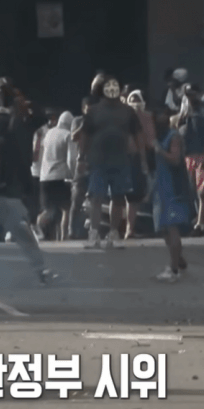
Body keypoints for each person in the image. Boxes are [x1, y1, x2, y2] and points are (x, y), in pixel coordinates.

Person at [0, 98, 46, 284]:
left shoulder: (10, 139)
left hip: (2, 196)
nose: (1, 122)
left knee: (19, 234)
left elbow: (38, 119)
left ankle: (42, 272)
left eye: (4, 118)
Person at [81, 76, 143, 249]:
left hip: (121, 160)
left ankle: (114, 233)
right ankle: (94, 233)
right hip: (98, 161)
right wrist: (81, 158)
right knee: (96, 197)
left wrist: (142, 158)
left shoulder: (128, 111)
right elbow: (85, 135)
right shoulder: (93, 111)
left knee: (118, 198)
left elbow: (138, 134)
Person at [151, 110, 191, 282]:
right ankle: (179, 259)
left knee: (172, 228)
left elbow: (175, 159)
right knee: (164, 229)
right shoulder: (159, 136)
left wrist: (159, 150)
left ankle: (173, 270)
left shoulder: (173, 137)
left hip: (174, 189)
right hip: (161, 188)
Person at [176, 85, 204, 236]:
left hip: (202, 155)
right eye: (187, 95)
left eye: (192, 94)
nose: (190, 97)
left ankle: (201, 223)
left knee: (203, 192)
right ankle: (202, 220)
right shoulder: (183, 116)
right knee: (194, 192)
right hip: (189, 157)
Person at [36, 111, 73, 240]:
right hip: (61, 177)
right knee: (65, 209)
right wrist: (72, 174)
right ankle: (64, 236)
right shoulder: (68, 135)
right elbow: (71, 160)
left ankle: (36, 225)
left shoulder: (49, 133)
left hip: (44, 176)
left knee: (48, 209)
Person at [120, 90, 151, 239]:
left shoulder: (146, 118)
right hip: (126, 160)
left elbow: (145, 141)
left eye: (137, 100)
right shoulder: (123, 118)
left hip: (135, 160)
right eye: (132, 100)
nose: (135, 104)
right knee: (124, 197)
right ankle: (123, 228)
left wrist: (144, 161)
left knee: (132, 198)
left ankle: (128, 229)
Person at [68, 96, 96, 239]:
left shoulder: (99, 121)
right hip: (82, 162)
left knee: (95, 198)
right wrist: (84, 124)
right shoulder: (77, 121)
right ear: (83, 109)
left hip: (95, 163)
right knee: (77, 197)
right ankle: (71, 230)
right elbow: (73, 137)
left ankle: (93, 230)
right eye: (87, 110)